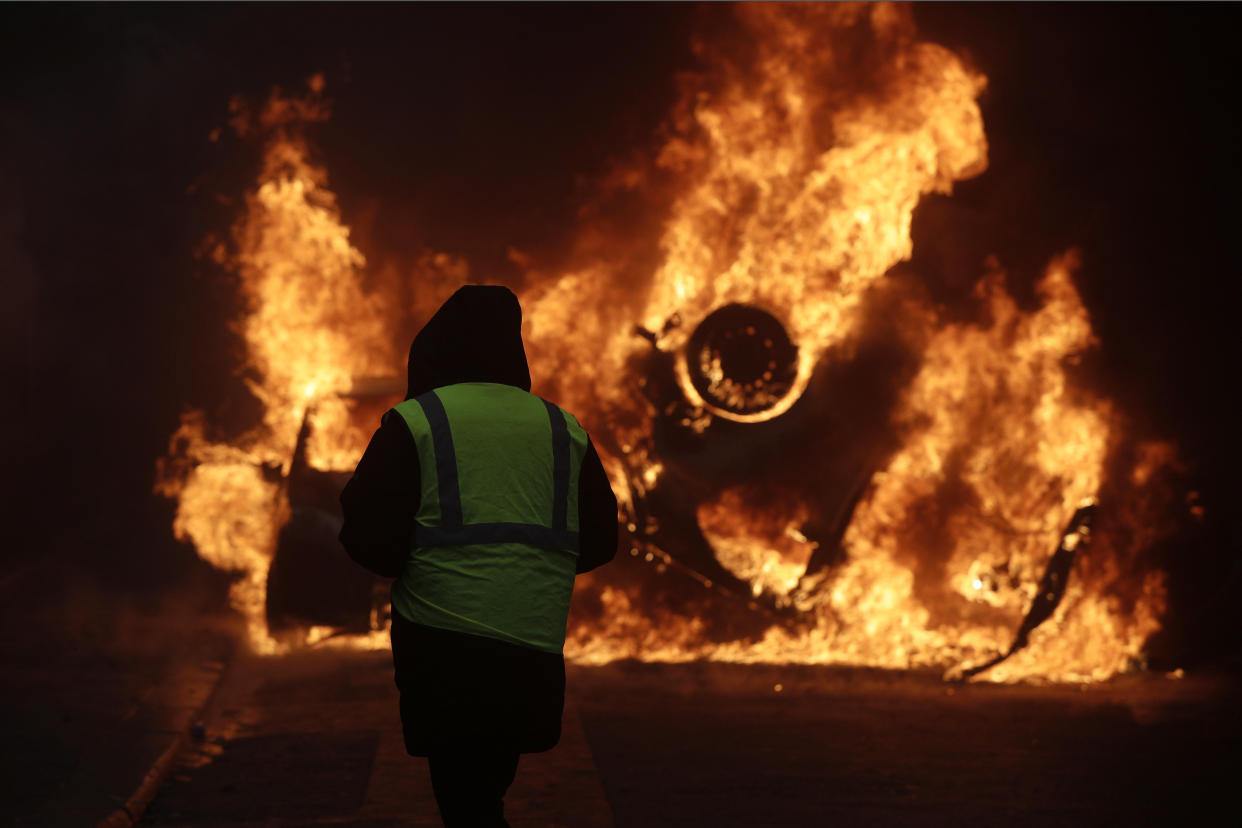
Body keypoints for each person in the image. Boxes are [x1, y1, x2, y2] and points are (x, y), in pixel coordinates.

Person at [339, 284, 618, 827]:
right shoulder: (563, 428)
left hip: (443, 643)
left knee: (464, 797)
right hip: (533, 642)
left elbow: (366, 532)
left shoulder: (417, 422)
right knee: (487, 785)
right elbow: (601, 540)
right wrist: (530, 568)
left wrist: (416, 566)